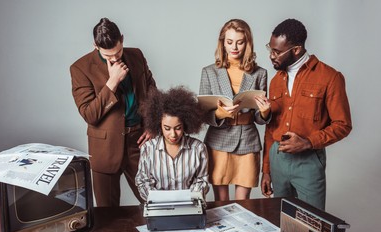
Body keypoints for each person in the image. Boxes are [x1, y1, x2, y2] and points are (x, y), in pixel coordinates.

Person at [261, 18, 352, 210]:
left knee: (312, 224)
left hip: (309, 161)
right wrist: (267, 170)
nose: (271, 55)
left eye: (276, 51)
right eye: (270, 48)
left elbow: (343, 125)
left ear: (296, 49)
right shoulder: (276, 81)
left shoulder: (330, 77)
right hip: (277, 159)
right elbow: (271, 127)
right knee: (283, 221)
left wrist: (308, 142)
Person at [70, 18, 156, 206]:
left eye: (118, 52)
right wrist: (112, 82)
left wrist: (152, 124)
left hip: (139, 143)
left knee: (154, 204)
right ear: (95, 45)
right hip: (105, 149)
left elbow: (152, 92)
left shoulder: (137, 56)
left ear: (122, 39)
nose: (115, 59)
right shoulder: (80, 68)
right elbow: (89, 115)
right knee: (107, 213)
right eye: (108, 56)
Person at [199, 19, 271, 201]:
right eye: (229, 42)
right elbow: (202, 112)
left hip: (247, 139)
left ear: (248, 42)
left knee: (243, 205)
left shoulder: (260, 73)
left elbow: (259, 117)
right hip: (218, 139)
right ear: (222, 42)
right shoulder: (209, 72)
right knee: (220, 203)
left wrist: (264, 112)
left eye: (240, 42)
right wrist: (219, 114)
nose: (235, 47)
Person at [136, 87, 209, 202]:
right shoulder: (148, 148)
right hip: (158, 207)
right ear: (159, 125)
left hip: (189, 205)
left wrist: (190, 199)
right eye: (167, 128)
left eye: (178, 128)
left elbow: (201, 180)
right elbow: (143, 181)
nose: (173, 134)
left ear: (185, 124)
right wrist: (159, 200)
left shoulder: (198, 149)